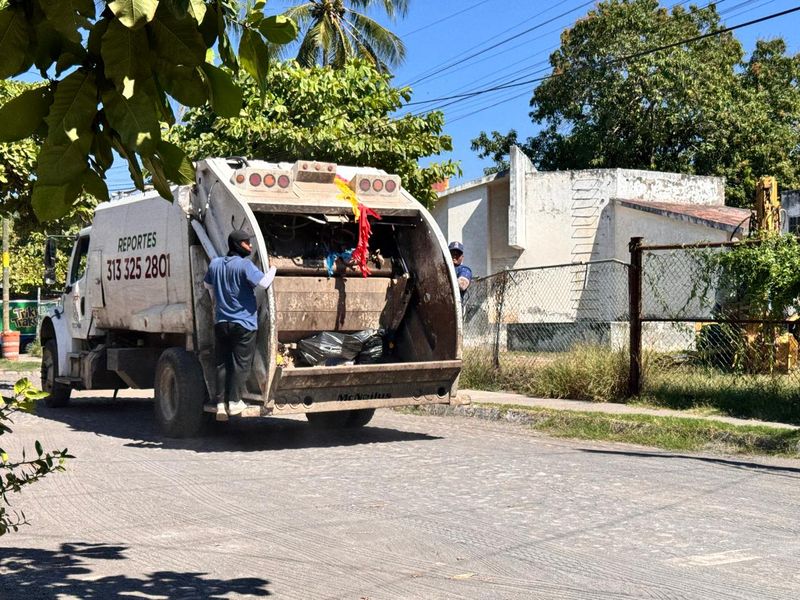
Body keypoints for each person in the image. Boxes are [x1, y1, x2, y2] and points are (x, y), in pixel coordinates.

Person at [204, 230, 277, 421]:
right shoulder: (245, 265)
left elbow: (207, 286)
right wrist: (274, 269)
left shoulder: (215, 264)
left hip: (221, 322)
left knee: (222, 363)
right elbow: (264, 282)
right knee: (240, 363)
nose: (250, 246)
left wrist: (219, 301)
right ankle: (235, 401)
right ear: (237, 244)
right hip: (244, 323)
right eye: (246, 243)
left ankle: (221, 404)